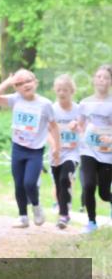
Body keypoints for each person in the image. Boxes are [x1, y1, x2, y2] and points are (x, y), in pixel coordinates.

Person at [0, 69, 60, 228]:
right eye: (20, 83)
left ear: (35, 82)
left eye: (28, 81)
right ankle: (22, 217)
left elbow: (54, 127)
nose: (25, 85)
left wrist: (56, 147)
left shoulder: (45, 104)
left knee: (29, 183)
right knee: (18, 184)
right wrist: (7, 82)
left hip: (35, 151)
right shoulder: (15, 99)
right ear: (16, 88)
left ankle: (36, 206)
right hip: (18, 148)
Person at [78, 64, 112, 233]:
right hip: (88, 150)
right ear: (93, 80)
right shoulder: (84, 103)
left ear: (110, 82)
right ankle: (91, 222)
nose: (102, 80)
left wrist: (109, 139)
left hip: (107, 153)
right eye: (99, 76)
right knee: (89, 185)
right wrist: (74, 126)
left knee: (104, 194)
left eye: (106, 77)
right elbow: (80, 125)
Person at [50, 74, 81, 228]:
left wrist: (77, 125)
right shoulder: (52, 109)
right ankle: (63, 209)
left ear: (71, 92)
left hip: (73, 152)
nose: (62, 93)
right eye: (59, 90)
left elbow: (87, 128)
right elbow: (47, 132)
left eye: (65, 90)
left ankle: (64, 215)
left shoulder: (78, 109)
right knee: (58, 182)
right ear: (55, 91)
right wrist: (55, 146)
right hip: (56, 152)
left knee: (65, 179)